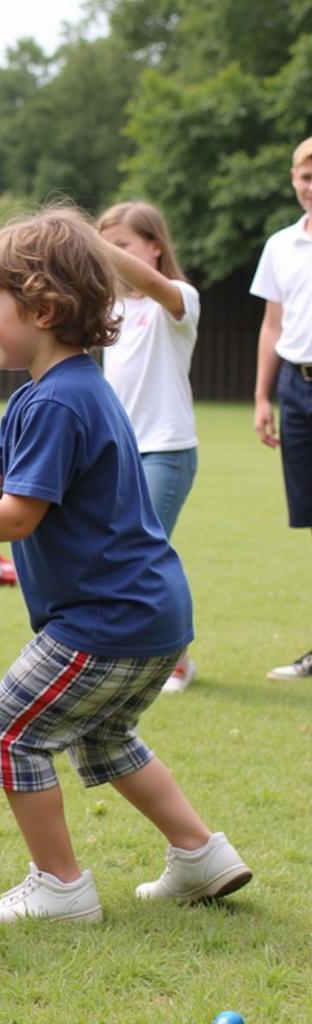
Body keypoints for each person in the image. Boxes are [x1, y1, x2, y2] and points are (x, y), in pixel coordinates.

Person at [0, 209, 251, 922]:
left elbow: (15, 515)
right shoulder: (50, 391)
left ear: (44, 309)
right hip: (149, 613)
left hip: (105, 619)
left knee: (7, 730)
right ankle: (199, 856)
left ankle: (60, 886)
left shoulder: (60, 400)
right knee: (104, 734)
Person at [97, 202, 200, 693]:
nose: (113, 255)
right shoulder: (111, 312)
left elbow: (156, 286)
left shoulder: (178, 299)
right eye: (108, 245)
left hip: (167, 449)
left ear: (155, 247)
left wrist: (93, 245)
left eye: (123, 245)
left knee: (147, 555)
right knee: (120, 555)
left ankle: (174, 661)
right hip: (120, 453)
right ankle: (143, 652)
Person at [251, 136, 312, 683]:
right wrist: (262, 396)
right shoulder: (281, 246)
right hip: (296, 387)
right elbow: (273, 325)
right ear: (294, 179)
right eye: (306, 175)